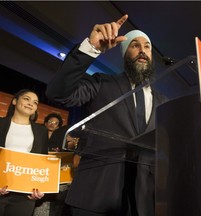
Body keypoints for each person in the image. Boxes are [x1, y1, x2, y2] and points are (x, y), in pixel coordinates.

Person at [46, 14, 167, 216]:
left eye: (147, 47)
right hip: (95, 196)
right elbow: (57, 93)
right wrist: (90, 49)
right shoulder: (101, 82)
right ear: (124, 52)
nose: (142, 51)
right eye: (135, 45)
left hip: (142, 203)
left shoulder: (163, 101)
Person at [0, 89, 48, 216]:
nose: (31, 103)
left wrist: (40, 188)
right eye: (26, 99)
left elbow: (42, 163)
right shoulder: (1, 124)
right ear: (15, 101)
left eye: (35, 102)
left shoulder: (41, 131)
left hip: (25, 196)